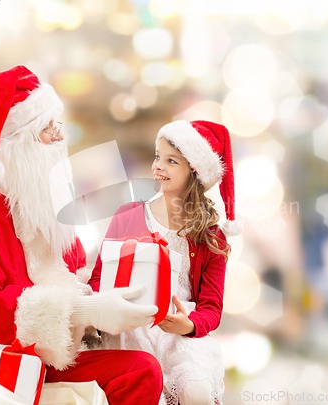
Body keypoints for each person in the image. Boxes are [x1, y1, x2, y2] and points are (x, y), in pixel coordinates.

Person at [0, 65, 163, 404]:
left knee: (146, 366)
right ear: (13, 143)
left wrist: (131, 294)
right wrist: (88, 310)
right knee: (140, 371)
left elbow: (78, 272)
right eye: (46, 128)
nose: (60, 137)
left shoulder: (42, 198)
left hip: (60, 353)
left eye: (57, 124)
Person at [89, 120, 241, 405]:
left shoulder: (211, 237)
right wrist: (103, 307)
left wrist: (188, 325)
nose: (158, 166)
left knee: (195, 391)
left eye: (171, 161)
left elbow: (211, 307)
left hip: (178, 333)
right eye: (158, 156)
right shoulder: (129, 216)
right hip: (130, 329)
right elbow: (98, 278)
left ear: (194, 172)